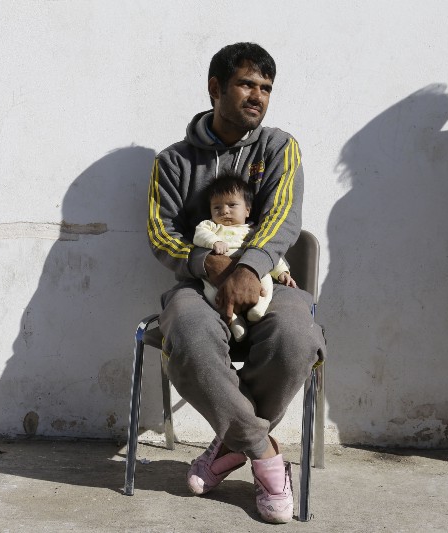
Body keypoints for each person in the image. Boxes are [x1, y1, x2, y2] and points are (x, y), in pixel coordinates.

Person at [146, 42, 326, 523]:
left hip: (271, 281)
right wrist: (208, 264)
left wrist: (248, 268)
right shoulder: (172, 162)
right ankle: (266, 456)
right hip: (199, 286)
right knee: (185, 333)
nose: (258, 96)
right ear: (215, 88)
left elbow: (285, 219)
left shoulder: (279, 148)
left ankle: (229, 444)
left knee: (297, 336)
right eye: (247, 84)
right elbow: (161, 234)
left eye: (266, 88)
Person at [193, 172, 296, 342]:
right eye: (217, 207)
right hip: (218, 273)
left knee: (266, 281)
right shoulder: (210, 226)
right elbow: (199, 234)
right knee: (211, 292)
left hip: (251, 269)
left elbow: (269, 253)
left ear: (247, 210)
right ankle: (233, 319)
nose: (224, 211)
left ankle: (259, 308)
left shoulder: (253, 232)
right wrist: (214, 241)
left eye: (232, 205)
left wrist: (282, 272)